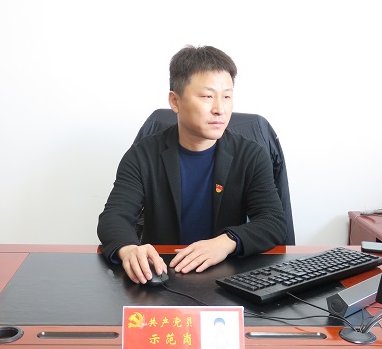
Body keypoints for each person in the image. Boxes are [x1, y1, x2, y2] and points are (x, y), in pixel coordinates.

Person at [97, 45, 287, 284]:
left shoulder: (250, 155)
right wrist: (129, 249)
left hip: (228, 278)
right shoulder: (142, 155)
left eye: (227, 96)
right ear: (175, 101)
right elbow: (114, 216)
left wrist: (226, 242)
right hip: (163, 275)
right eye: (207, 96)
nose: (220, 109)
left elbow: (273, 221)